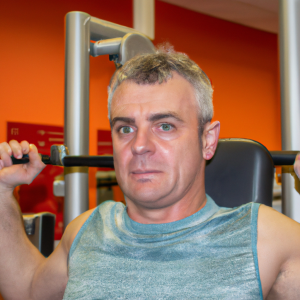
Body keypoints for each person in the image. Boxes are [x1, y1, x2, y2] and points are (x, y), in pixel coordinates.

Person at [0, 49, 299, 300]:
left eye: (165, 126)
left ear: (207, 140)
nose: (139, 145)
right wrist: (2, 190)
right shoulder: (86, 231)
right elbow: (27, 289)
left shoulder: (264, 237)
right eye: (125, 129)